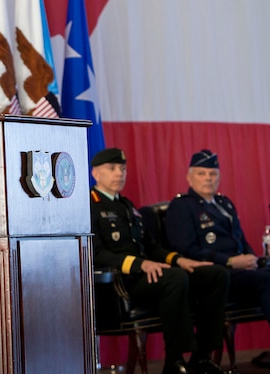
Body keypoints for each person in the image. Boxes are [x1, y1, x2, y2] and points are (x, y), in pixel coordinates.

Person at [165, 149, 270, 374]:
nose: (208, 179)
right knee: (269, 283)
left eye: (212, 174)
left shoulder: (225, 203)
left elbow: (239, 241)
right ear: (189, 177)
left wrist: (256, 259)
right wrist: (230, 261)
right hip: (216, 276)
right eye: (202, 174)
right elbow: (187, 249)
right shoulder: (182, 206)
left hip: (244, 271)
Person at [90, 147, 229, 374]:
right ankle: (174, 361)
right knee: (174, 278)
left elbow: (151, 247)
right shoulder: (90, 205)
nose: (119, 174)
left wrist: (180, 260)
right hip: (123, 280)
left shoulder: (127, 206)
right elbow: (95, 254)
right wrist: (139, 264)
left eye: (123, 169)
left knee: (215, 274)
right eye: (112, 169)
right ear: (96, 173)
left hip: (148, 273)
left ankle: (202, 356)